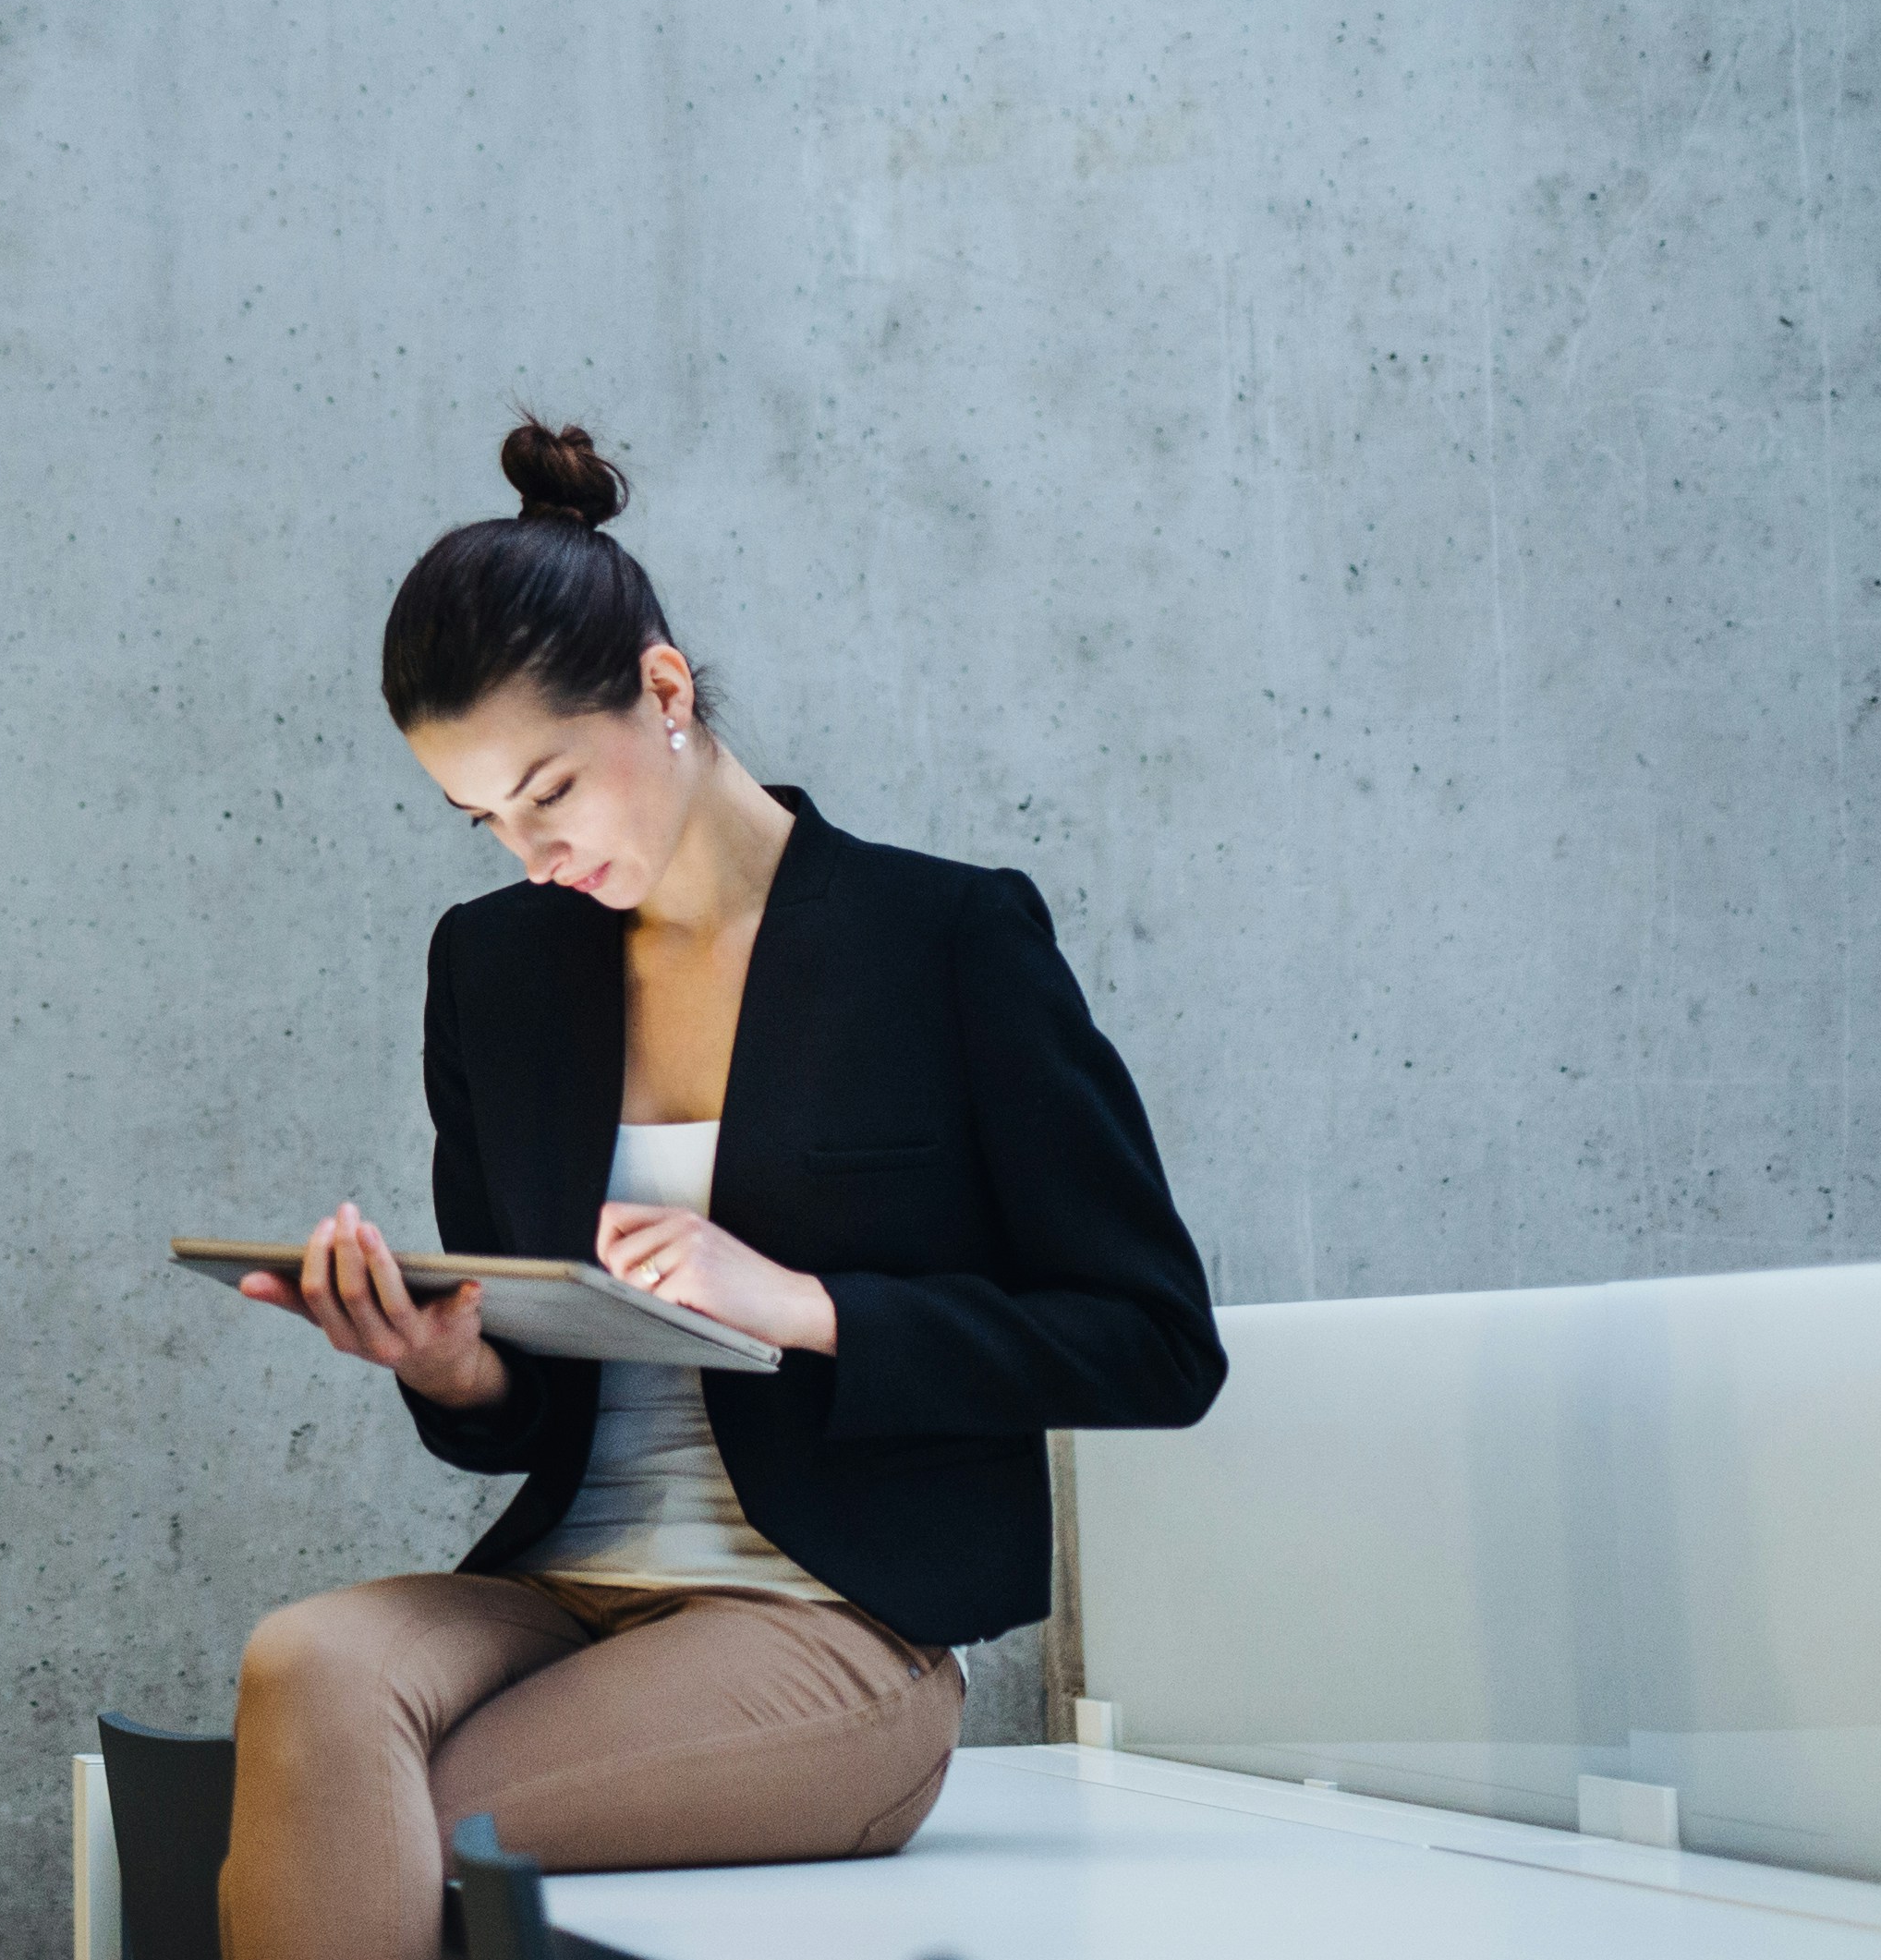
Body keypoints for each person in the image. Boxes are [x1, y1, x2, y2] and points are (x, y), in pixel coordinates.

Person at [221, 417, 1228, 1960]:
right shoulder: (491, 970)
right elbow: (516, 1414)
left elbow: (1157, 1339)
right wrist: (453, 1360)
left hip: (832, 1625)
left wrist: (808, 1306)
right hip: (572, 1581)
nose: (527, 848)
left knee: (401, 1807)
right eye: (480, 816)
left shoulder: (944, 941)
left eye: (547, 786)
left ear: (665, 691)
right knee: (309, 1663)